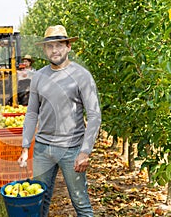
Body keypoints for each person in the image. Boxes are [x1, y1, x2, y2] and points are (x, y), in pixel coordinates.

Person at [17, 25, 101, 217]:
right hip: (42, 149)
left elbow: (94, 115)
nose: (54, 50)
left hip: (71, 149)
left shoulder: (81, 76)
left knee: (81, 203)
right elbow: (31, 113)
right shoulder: (39, 76)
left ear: (68, 47)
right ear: (45, 50)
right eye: (50, 46)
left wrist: (85, 151)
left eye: (59, 45)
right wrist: (25, 146)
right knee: (39, 203)